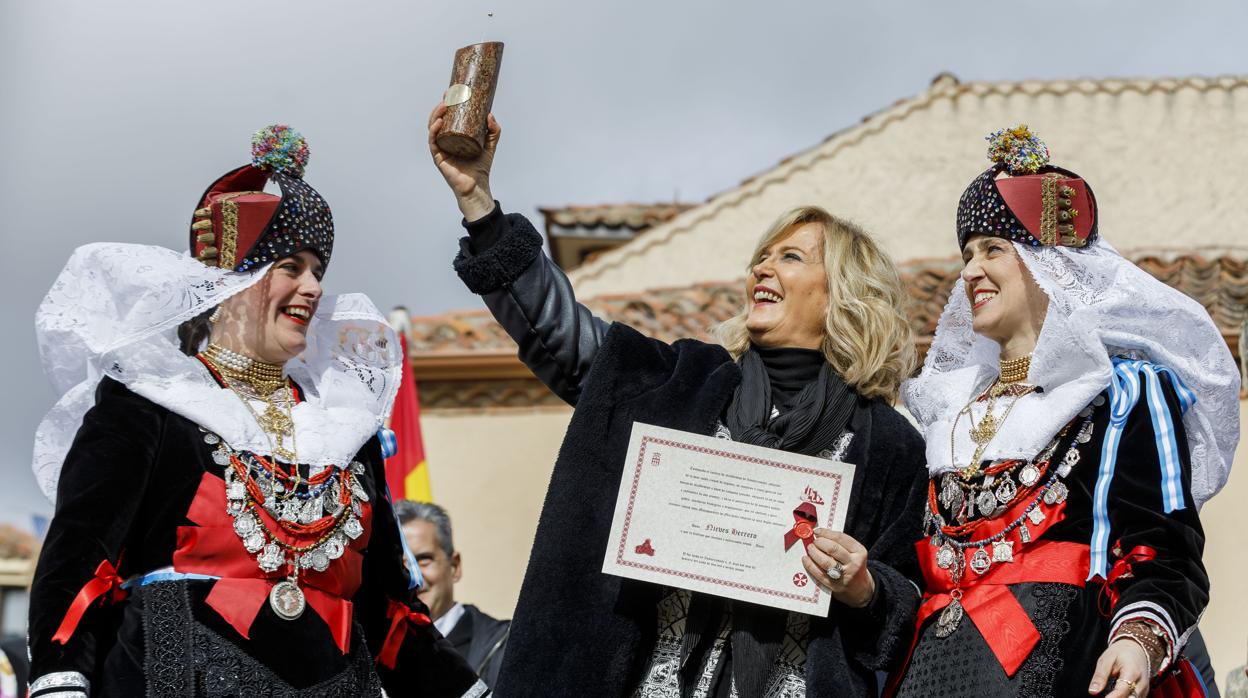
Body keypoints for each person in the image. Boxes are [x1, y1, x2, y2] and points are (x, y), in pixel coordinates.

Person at [428, 103, 929, 697]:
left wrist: (864, 589)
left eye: (789, 257)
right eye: (761, 257)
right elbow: (559, 331)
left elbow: (906, 616)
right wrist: (480, 206)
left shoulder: (889, 444)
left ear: (842, 292)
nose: (762, 268)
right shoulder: (682, 383)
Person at [25, 126, 487, 697]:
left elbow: (386, 611)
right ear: (230, 280)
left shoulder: (343, 429)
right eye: (290, 266)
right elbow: (79, 563)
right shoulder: (150, 404)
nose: (313, 287)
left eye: (318, 270)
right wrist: (58, 682)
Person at [893, 126, 1240, 698]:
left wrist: (1137, 639)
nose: (969, 271)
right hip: (935, 675)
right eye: (967, 254)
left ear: (1049, 264)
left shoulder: (1121, 395)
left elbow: (1165, 551)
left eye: (993, 249)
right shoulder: (948, 412)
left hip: (1068, 670)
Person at [395, 500, 510, 688]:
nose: (412, 577)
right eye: (399, 564)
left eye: (423, 560)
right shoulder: (372, 659)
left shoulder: (505, 648)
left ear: (454, 566)